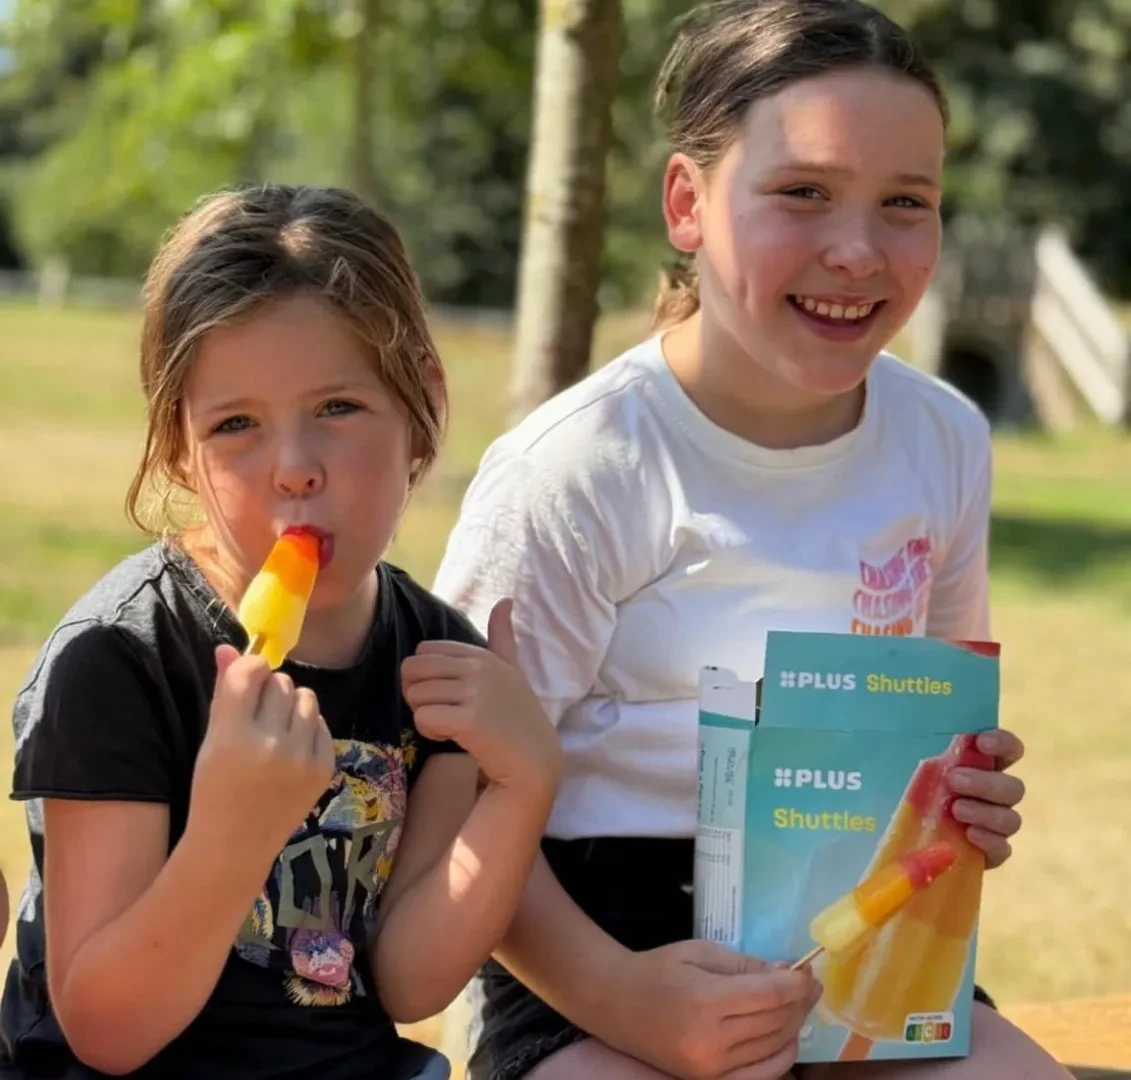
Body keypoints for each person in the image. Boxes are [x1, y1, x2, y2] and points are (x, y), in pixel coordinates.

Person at [431, 2, 1071, 1079]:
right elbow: (443, 804)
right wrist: (618, 995)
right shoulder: (576, 469)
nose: (857, 250)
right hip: (592, 961)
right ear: (688, 201)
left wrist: (965, 796)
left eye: (906, 203)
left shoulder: (946, 440)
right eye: (802, 193)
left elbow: (934, 727)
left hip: (862, 937)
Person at [0, 184, 563, 1080]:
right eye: (235, 427)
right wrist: (232, 832)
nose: (294, 470)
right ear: (180, 448)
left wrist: (523, 781)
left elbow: (409, 982)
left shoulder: (437, 660)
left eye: (336, 409)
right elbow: (105, 1030)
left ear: (421, 400)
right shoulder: (119, 659)